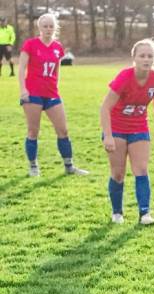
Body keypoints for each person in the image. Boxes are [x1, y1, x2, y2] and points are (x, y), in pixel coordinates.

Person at [99, 39, 154, 225]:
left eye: (150, 56)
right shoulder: (124, 77)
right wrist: (108, 135)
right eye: (142, 56)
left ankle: (145, 213)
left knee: (141, 169)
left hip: (139, 127)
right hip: (117, 128)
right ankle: (117, 212)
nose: (146, 59)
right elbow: (105, 108)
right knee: (118, 173)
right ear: (134, 58)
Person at [18, 13, 88, 177]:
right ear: (39, 28)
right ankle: (33, 166)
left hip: (51, 94)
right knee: (33, 131)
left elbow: (57, 69)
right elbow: (21, 68)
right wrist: (23, 90)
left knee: (63, 130)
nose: (48, 29)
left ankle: (69, 166)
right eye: (45, 26)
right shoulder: (30, 44)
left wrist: (55, 86)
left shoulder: (58, 47)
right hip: (33, 93)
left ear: (55, 28)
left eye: (51, 26)